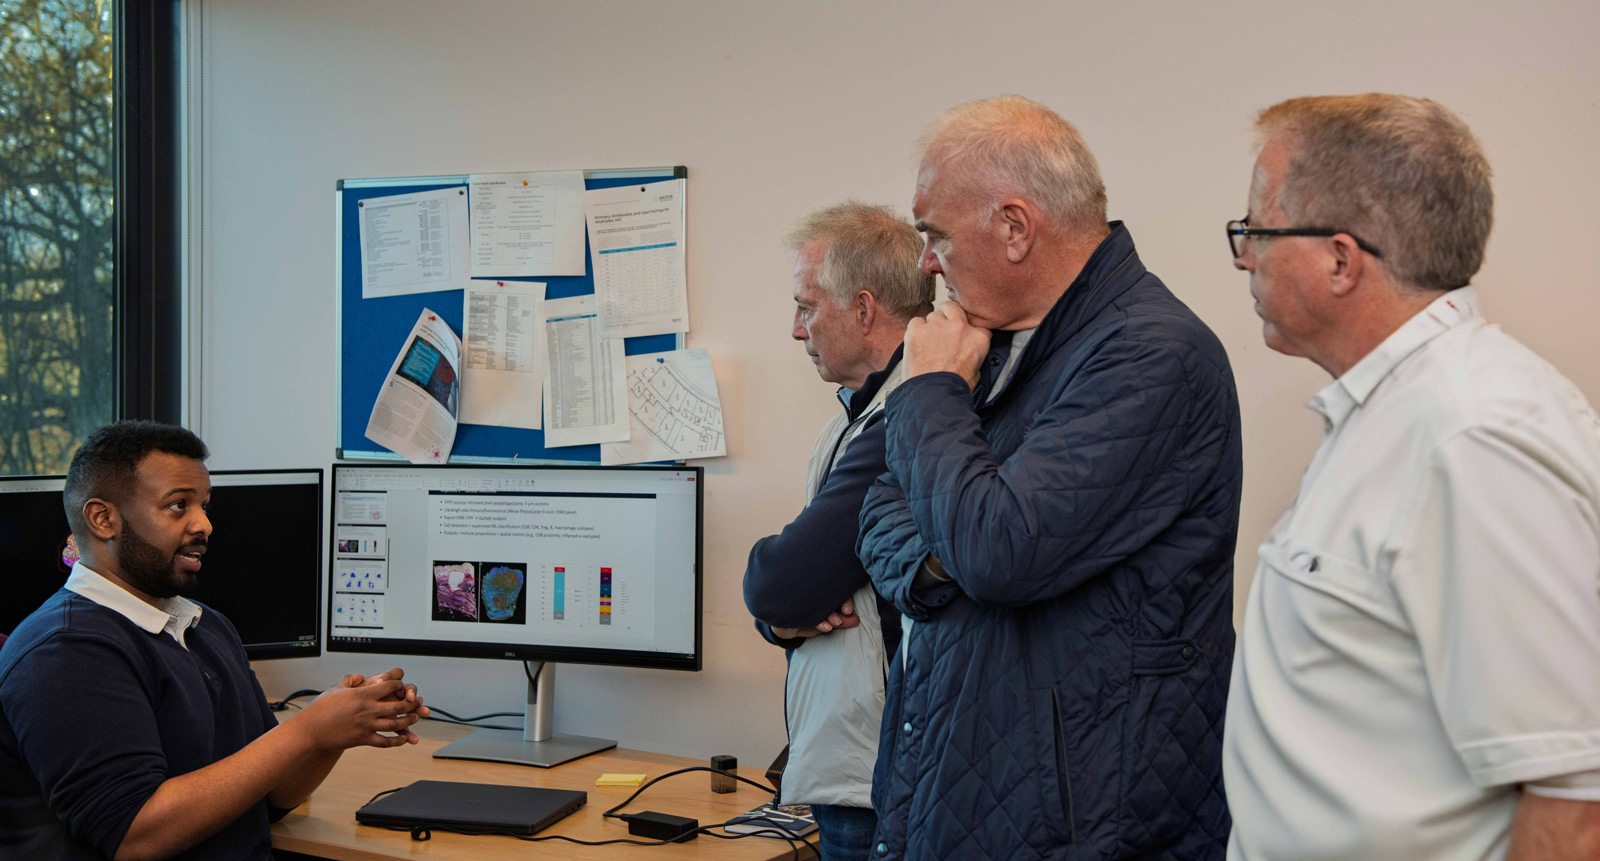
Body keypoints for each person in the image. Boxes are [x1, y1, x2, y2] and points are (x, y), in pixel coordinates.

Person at [855, 95, 1241, 859]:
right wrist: (938, 563)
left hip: (1075, 830)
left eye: (934, 235)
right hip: (964, 800)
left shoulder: (1150, 355)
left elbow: (1001, 550)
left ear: (1015, 226)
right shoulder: (991, 341)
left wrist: (929, 394)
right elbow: (877, 503)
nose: (926, 262)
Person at [1223, 94, 1600, 860]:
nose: (1242, 256)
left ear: (1339, 258)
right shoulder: (1390, 410)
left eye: (1257, 230)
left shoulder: (1473, 437)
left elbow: (1573, 795)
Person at [0, 421, 429, 859]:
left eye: (204, 505)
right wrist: (307, 728)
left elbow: (272, 797)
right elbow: (134, 835)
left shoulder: (206, 626)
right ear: (103, 519)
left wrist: (334, 730)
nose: (204, 523)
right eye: (178, 505)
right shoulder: (64, 651)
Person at [743, 202, 934, 860]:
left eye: (807, 307)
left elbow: (779, 580)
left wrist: (781, 603)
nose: (797, 330)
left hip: (880, 782)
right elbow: (790, 599)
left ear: (863, 307)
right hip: (855, 772)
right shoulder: (850, 422)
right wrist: (784, 618)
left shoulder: (909, 413)